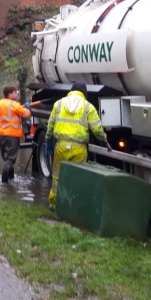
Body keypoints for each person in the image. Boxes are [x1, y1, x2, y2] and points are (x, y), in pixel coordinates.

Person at [46, 81, 110, 209]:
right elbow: (97, 129)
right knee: (77, 177)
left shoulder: (58, 104)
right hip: (79, 148)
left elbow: (50, 125)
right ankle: (73, 205)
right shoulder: (88, 107)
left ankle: (54, 204)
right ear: (84, 93)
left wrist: (48, 141)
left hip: (61, 147)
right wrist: (104, 140)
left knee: (57, 176)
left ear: (71, 90)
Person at [0, 85, 32, 183]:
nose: (16, 94)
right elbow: (27, 114)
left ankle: (11, 177)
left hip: (0, 135)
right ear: (10, 94)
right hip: (12, 135)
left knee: (6, 157)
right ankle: (4, 181)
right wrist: (28, 108)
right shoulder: (15, 105)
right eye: (15, 92)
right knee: (10, 158)